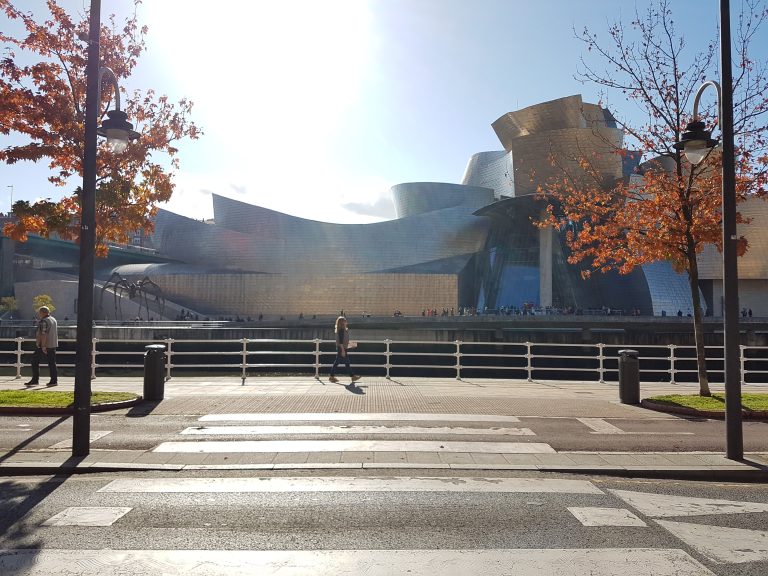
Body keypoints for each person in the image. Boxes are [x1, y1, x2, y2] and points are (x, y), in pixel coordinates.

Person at [26, 306, 58, 386]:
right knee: (52, 363)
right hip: (53, 344)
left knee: (34, 361)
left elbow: (44, 334)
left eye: (39, 312)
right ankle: (54, 381)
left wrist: (43, 346)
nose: (39, 314)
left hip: (45, 345)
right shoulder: (53, 319)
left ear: (43, 312)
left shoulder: (44, 321)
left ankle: (35, 380)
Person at [328, 316, 360, 384]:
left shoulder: (342, 329)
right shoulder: (341, 330)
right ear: (342, 322)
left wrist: (350, 345)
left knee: (345, 363)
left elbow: (343, 341)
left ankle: (352, 376)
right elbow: (341, 342)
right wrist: (342, 350)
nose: (346, 322)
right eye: (345, 321)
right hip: (341, 349)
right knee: (338, 363)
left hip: (342, 348)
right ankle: (332, 377)